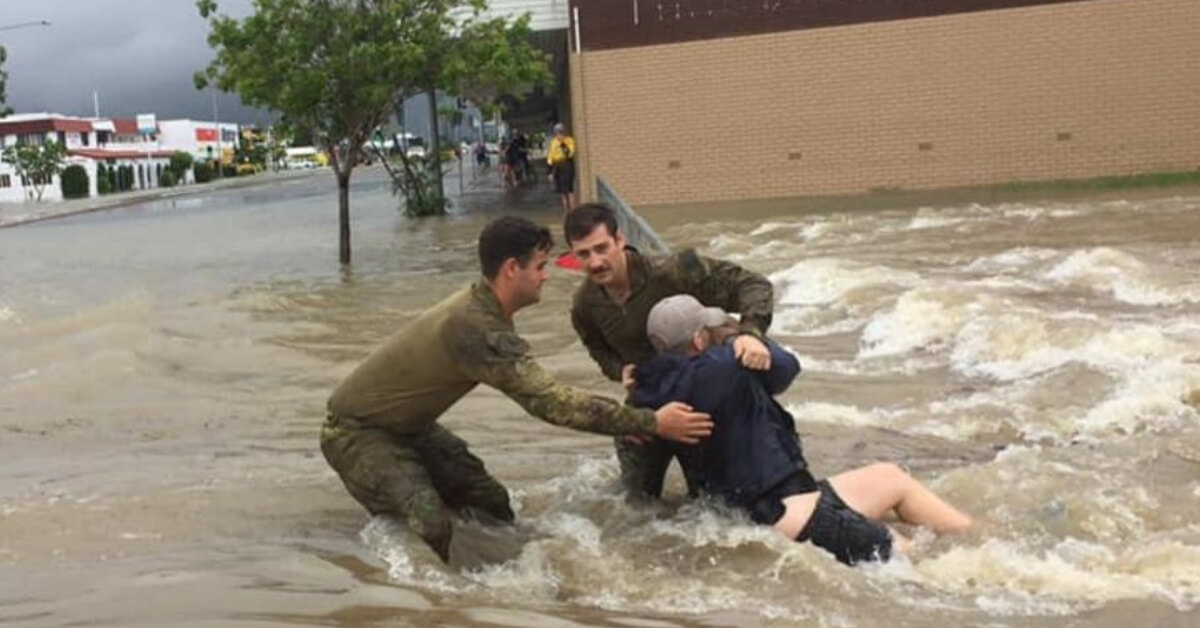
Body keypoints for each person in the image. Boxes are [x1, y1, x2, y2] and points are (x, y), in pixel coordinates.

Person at [320, 217, 713, 562]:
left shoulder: (484, 308)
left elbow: (549, 395)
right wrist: (650, 421)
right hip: (357, 434)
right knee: (431, 520)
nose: (546, 275)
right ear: (512, 269)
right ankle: (442, 603)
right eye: (540, 266)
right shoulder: (477, 328)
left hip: (409, 428)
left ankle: (506, 581)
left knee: (489, 501)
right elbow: (550, 402)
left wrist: (626, 420)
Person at [631, 294, 975, 565]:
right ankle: (986, 557)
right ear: (699, 340)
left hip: (767, 510)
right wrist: (746, 337)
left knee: (890, 478)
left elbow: (643, 475)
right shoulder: (725, 366)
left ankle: (978, 536)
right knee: (915, 558)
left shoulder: (645, 399)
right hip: (788, 514)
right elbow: (786, 369)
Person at [565, 203, 775, 501]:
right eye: (584, 254)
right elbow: (596, 347)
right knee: (635, 509)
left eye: (602, 248)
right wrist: (618, 369)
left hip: (706, 404)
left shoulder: (677, 267)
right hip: (649, 410)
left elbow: (752, 283)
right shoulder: (583, 305)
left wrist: (752, 334)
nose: (596, 262)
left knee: (716, 509)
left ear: (620, 240)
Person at [546, 123, 576, 211]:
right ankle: (566, 211)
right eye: (557, 133)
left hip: (567, 166)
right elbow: (550, 158)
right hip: (558, 167)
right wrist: (549, 172)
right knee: (562, 192)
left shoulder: (569, 140)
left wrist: (562, 143)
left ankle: (572, 210)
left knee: (569, 191)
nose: (559, 135)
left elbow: (570, 154)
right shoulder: (553, 142)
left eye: (561, 132)